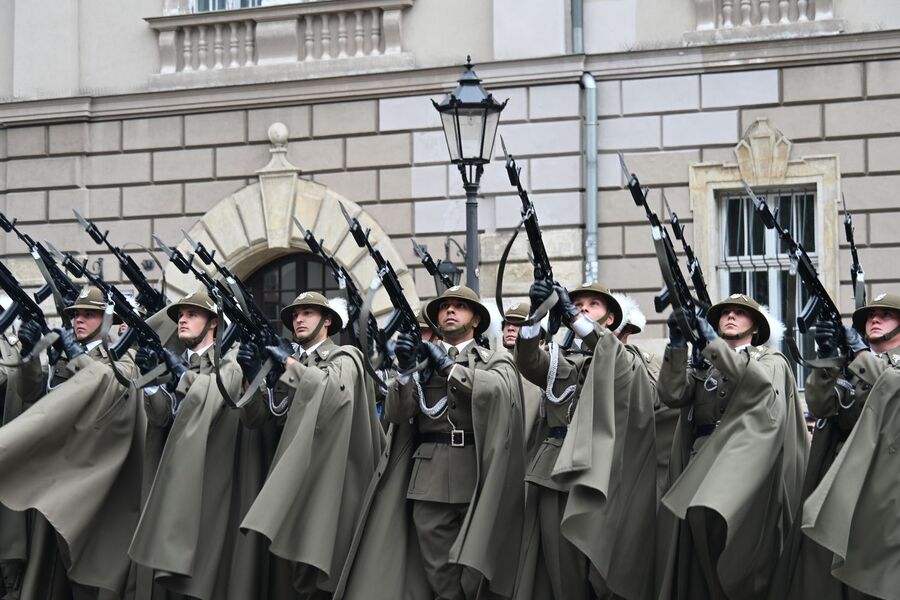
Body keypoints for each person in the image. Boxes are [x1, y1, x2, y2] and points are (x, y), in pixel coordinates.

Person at [337, 285, 525, 600]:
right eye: (444, 307)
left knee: (476, 568)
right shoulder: (422, 362)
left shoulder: (494, 359)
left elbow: (500, 394)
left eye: (459, 306)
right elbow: (397, 413)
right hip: (429, 478)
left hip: (478, 475)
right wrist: (407, 370)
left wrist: (450, 368)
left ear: (476, 319)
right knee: (438, 570)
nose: (450, 310)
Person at [656, 293, 808, 600]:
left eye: (740, 312)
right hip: (701, 465)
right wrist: (676, 344)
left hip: (744, 469)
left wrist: (711, 345)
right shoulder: (704, 361)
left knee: (741, 556)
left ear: (756, 328)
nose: (731, 316)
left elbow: (758, 386)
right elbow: (671, 394)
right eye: (726, 312)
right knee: (702, 554)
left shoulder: (771, 361)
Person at [514, 281, 656, 600]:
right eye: (578, 303)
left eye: (593, 305)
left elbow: (622, 369)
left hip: (600, 475)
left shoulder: (627, 358)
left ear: (608, 321)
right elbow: (528, 361)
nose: (583, 308)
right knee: (563, 574)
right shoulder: (559, 359)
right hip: (556, 473)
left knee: (603, 572)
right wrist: (535, 317)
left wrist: (576, 320)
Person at [0, 285, 145, 599]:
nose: (79, 320)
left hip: (90, 484)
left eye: (89, 314)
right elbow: (30, 393)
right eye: (76, 314)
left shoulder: (121, 356)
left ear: (108, 321)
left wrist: (79, 357)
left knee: (86, 578)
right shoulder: (63, 353)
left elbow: (113, 387)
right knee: (49, 575)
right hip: (55, 478)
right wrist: (30, 354)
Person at [238, 291, 385, 599]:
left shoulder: (345, 356)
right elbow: (261, 418)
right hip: (288, 477)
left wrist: (286, 363)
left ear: (327, 320)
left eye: (308, 312)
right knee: (286, 577)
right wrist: (252, 377)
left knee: (314, 575)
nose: (299, 319)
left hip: (324, 481)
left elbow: (333, 394)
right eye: (295, 315)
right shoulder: (292, 362)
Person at [128, 290, 266, 599]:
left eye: (192, 314)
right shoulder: (174, 362)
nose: (183, 320)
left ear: (214, 323)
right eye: (180, 315)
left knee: (201, 577)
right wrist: (151, 384)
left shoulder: (230, 363)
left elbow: (222, 399)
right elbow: (162, 418)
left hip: (210, 485)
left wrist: (181, 377)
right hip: (170, 482)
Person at [780, 293, 900, 599]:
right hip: (842, 472)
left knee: (872, 570)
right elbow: (821, 405)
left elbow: (891, 387)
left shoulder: (876, 364)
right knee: (826, 569)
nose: (874, 319)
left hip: (884, 482)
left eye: (885, 314)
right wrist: (828, 358)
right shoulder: (854, 363)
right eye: (870, 315)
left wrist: (860, 353)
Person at [612, 292, 677, 499]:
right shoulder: (569, 356)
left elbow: (655, 399)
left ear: (626, 328)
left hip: (634, 459)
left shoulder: (646, 360)